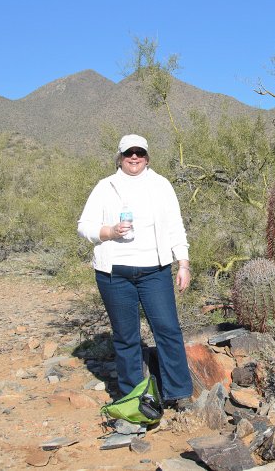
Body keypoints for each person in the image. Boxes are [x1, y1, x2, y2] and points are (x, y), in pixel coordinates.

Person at [77, 134, 193, 408]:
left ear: (147, 156)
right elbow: (84, 225)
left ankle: (179, 392)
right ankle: (133, 398)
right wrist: (109, 231)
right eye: (129, 152)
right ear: (120, 156)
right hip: (114, 273)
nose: (134, 157)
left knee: (167, 329)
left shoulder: (161, 185)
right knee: (126, 337)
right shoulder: (106, 187)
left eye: (140, 152)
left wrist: (183, 263)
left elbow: (176, 225)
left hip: (155, 271)